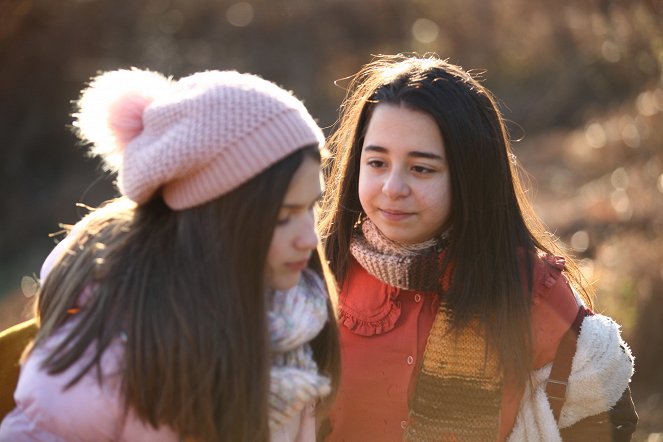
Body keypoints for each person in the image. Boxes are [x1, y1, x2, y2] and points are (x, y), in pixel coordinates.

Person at [0, 68, 340, 441]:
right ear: (210, 218)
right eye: (282, 218)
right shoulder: (109, 364)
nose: (310, 238)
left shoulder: (293, 316)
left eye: (312, 207)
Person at [318, 54, 637, 441]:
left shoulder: (525, 287)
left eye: (422, 168)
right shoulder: (320, 273)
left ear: (470, 176)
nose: (393, 188)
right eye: (377, 163)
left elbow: (602, 416)